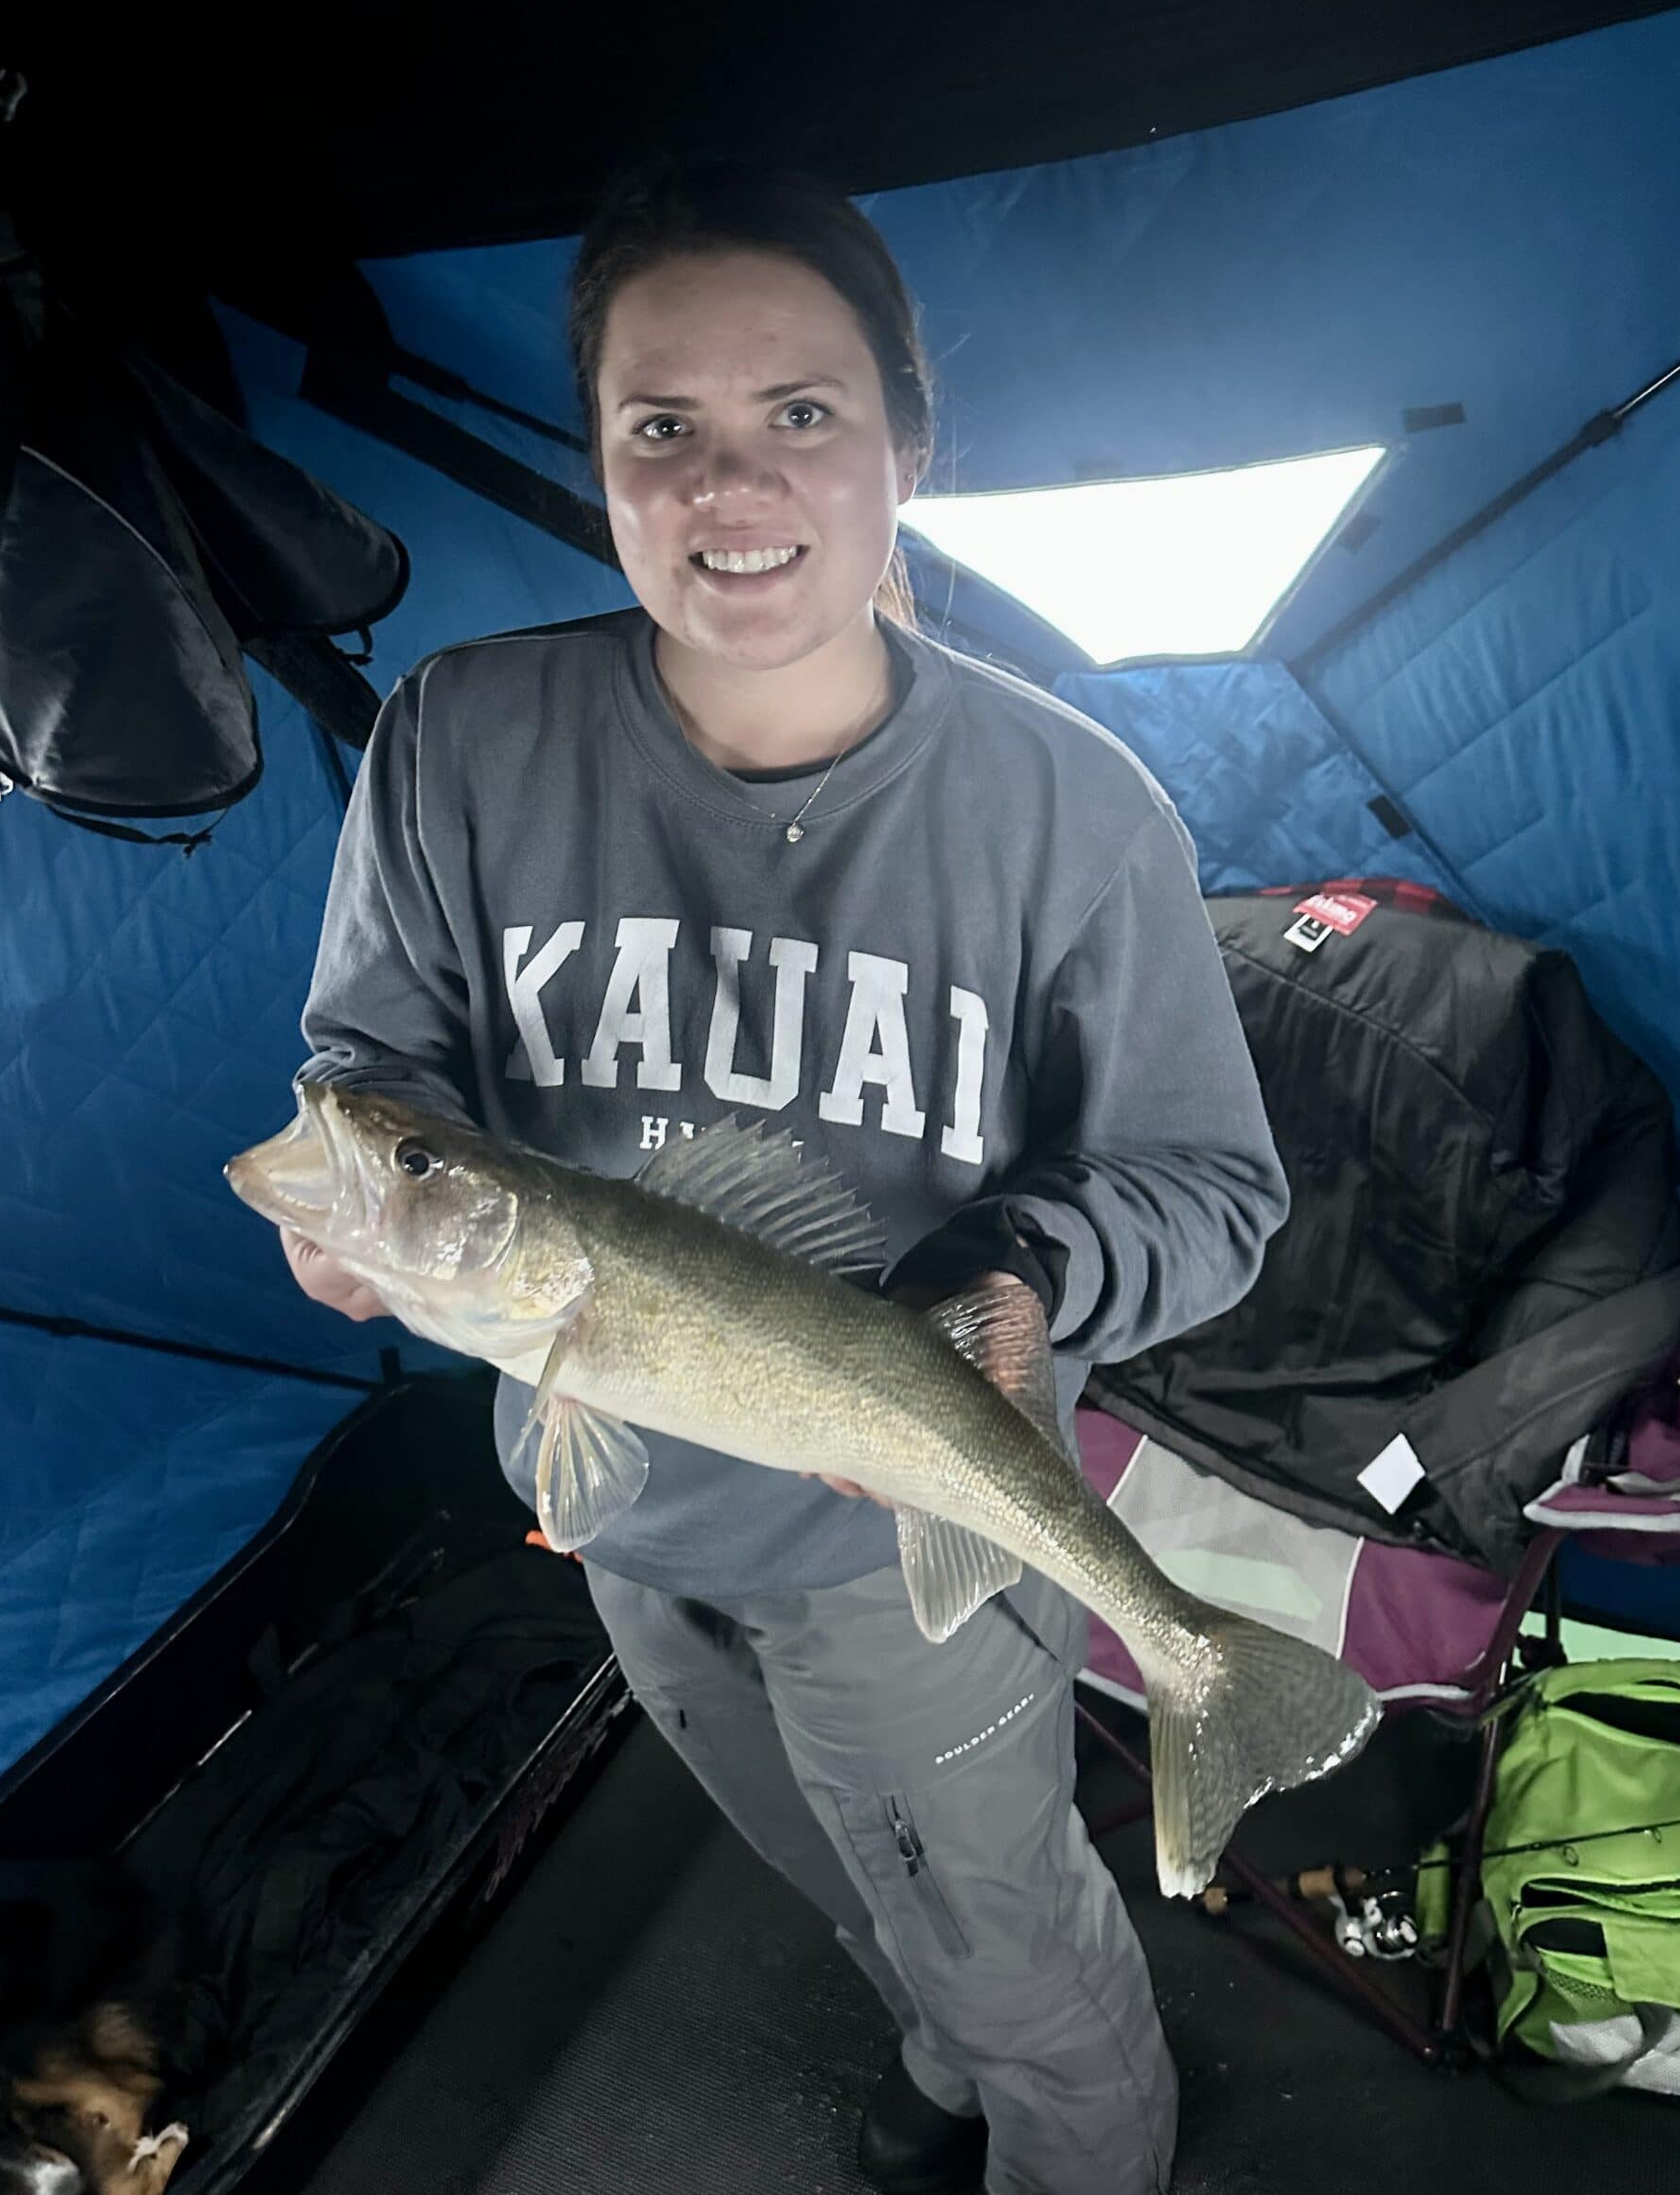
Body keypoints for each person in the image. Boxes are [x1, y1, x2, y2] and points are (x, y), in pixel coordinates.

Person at [281, 155, 1290, 2195]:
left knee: (1009, 1925)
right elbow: (366, 1063)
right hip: (628, 1493)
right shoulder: (455, 736)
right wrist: (369, 1212)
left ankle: (1074, 2138)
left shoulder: (1073, 809)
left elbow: (1215, 1188)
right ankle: (942, 2053)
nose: (731, 486)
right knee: (831, 1857)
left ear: (910, 440)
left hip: (907, 1529)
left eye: (802, 415)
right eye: (665, 427)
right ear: (600, 453)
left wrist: (1031, 1263)